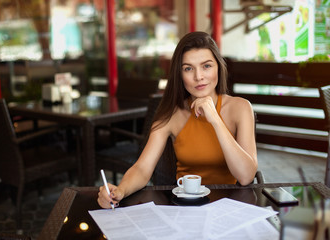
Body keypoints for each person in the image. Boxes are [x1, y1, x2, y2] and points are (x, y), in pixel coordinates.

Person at [98, 31, 258, 209]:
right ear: (179, 75)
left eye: (206, 66)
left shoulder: (241, 108)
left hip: (229, 207)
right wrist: (120, 191)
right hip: (185, 208)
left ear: (218, 68)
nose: (199, 76)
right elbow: (142, 168)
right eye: (188, 68)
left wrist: (215, 119)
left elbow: (246, 176)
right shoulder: (170, 113)